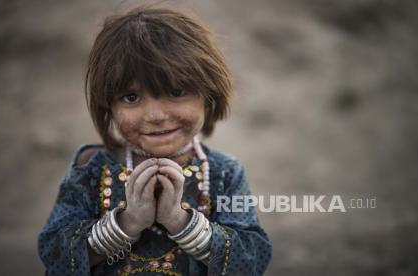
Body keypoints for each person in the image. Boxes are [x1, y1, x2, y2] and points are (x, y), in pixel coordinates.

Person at [38, 5, 272, 276]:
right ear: (108, 106)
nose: (156, 115)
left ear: (209, 93)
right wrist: (128, 222)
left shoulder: (223, 172)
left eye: (176, 91)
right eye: (131, 97)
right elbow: (54, 255)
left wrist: (180, 221)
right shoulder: (92, 167)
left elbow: (252, 259)